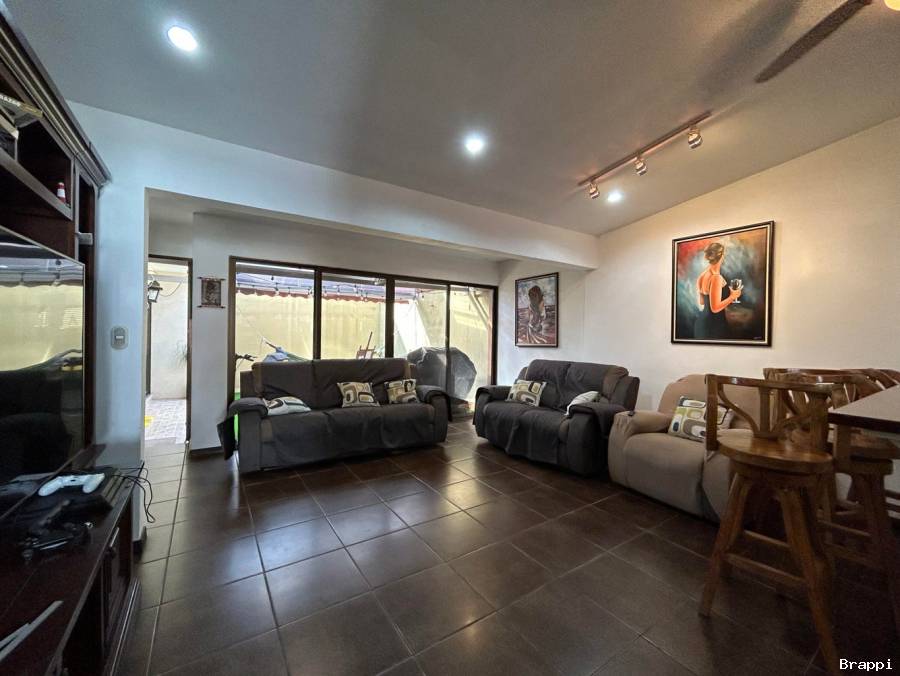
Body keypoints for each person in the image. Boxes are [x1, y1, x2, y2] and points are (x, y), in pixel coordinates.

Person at [693, 241, 741, 339]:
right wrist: (733, 296)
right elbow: (715, 308)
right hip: (714, 325)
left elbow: (702, 302)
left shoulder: (702, 276)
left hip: (701, 323)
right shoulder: (716, 278)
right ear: (722, 256)